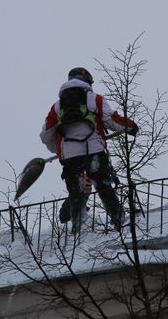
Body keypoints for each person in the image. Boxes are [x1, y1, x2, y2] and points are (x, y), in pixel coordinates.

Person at [40, 67, 138, 232]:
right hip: (95, 152)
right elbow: (111, 120)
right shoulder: (94, 99)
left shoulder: (57, 107)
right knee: (104, 188)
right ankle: (120, 223)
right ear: (88, 82)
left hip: (70, 158)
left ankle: (78, 229)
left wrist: (60, 151)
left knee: (76, 195)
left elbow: (46, 135)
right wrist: (131, 126)